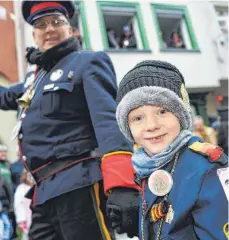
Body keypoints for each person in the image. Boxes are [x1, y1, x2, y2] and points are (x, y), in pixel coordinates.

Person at [0, 1, 139, 239]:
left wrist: (122, 184)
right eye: (41, 25)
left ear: (70, 28)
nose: (50, 29)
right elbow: (4, 97)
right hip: (42, 192)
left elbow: (108, 121)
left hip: (80, 182)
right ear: (34, 34)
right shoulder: (33, 80)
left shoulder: (87, 62)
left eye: (57, 22)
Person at [114, 60, 228, 239]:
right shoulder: (147, 165)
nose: (151, 126)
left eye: (162, 112)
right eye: (138, 118)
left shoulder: (206, 167)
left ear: (181, 115)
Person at [14, 169, 33, 240]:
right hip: (27, 223)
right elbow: (18, 205)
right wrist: (21, 220)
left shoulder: (35, 187)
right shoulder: (21, 188)